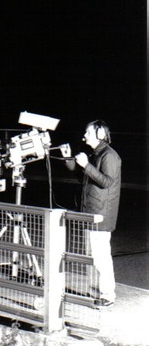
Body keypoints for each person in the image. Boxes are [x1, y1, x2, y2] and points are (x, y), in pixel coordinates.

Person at [60, 120, 122, 307]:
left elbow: (107, 182)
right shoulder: (95, 155)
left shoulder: (109, 156)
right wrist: (68, 158)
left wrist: (86, 165)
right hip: (92, 211)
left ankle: (107, 295)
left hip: (101, 213)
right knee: (93, 255)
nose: (84, 135)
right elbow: (83, 178)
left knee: (101, 256)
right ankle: (97, 292)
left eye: (88, 132)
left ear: (100, 134)